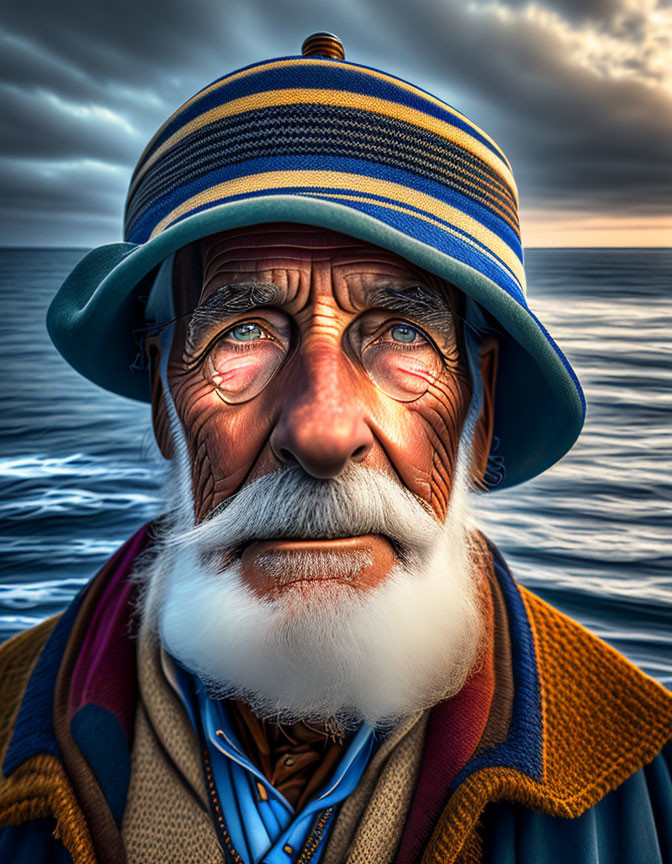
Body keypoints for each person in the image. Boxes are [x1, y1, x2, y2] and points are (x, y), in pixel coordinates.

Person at [0, 33, 670, 864]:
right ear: (165, 406)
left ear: (482, 407)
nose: (322, 431)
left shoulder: (646, 772)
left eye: (400, 333)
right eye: (241, 332)